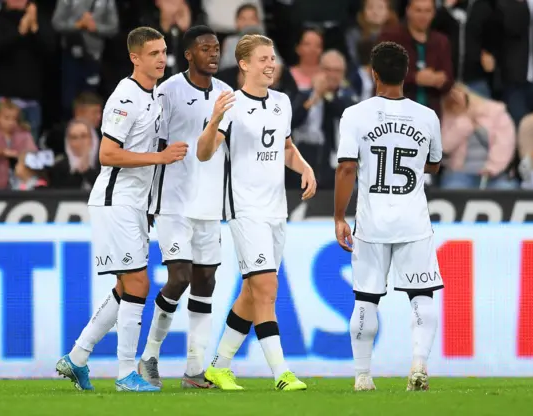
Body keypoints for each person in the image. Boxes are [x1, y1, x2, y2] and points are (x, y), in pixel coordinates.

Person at [55, 26, 188, 393]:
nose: (161, 58)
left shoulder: (153, 95)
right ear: (135, 57)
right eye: (153, 53)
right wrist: (159, 157)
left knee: (125, 286)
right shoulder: (125, 98)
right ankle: (126, 373)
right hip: (115, 201)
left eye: (163, 52)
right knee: (138, 283)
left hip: (133, 204)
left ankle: (78, 357)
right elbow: (107, 154)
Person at [196, 34, 317, 391]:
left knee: (252, 293)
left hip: (276, 210)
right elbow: (204, 154)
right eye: (263, 59)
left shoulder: (282, 102)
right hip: (245, 210)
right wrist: (213, 119)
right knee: (266, 286)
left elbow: (286, 147)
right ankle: (281, 372)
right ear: (244, 64)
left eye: (273, 58)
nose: (270, 65)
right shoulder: (230, 106)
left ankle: (218, 367)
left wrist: (304, 167)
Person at [334, 41, 443, 392]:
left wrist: (338, 216)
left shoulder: (355, 114)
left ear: (373, 73)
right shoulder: (427, 116)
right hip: (413, 220)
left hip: (372, 222)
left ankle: (363, 376)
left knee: (366, 298)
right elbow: (435, 164)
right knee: (422, 295)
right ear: (407, 74)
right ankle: (419, 366)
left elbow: (347, 167)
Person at [137, 25, 232, 389]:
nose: (213, 53)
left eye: (216, 47)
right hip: (172, 202)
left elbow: (217, 148)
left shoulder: (226, 94)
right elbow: (152, 144)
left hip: (209, 204)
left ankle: (194, 369)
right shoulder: (168, 91)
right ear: (189, 54)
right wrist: (147, 199)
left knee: (206, 281)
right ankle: (150, 356)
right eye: (205, 48)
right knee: (180, 277)